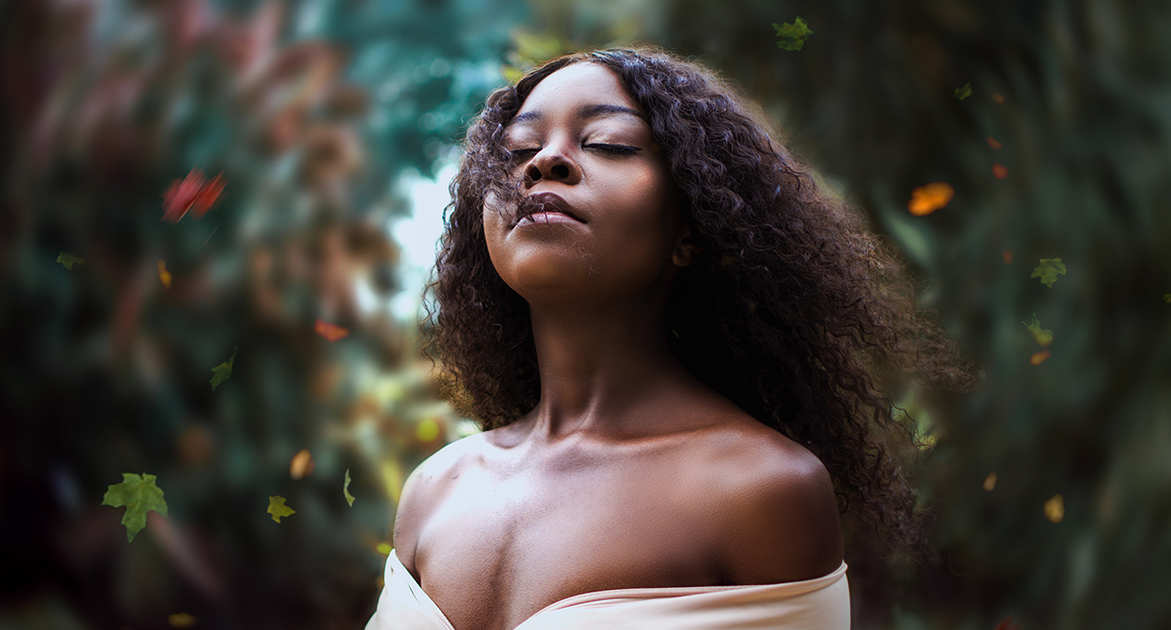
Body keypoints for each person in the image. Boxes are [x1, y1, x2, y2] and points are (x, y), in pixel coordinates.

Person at [366, 47, 971, 630]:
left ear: (691, 230)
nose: (544, 161)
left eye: (609, 144)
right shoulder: (435, 488)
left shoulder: (758, 489)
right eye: (518, 148)